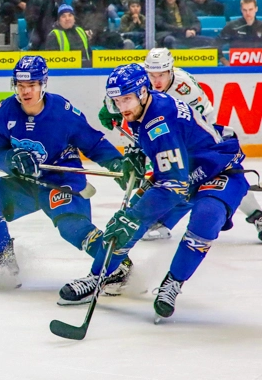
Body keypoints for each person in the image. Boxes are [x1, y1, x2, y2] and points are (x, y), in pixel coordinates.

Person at [65, 63, 248, 319]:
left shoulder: (159, 120)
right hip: (184, 172)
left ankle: (173, 283)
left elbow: (173, 185)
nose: (122, 107)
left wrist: (134, 216)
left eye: (127, 99)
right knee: (129, 222)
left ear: (142, 92)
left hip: (218, 170)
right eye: (117, 101)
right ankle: (97, 277)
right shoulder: (146, 107)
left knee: (206, 216)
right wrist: (140, 153)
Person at [0, 55, 130, 293]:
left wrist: (116, 163)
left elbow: (93, 144)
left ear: (43, 84)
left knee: (72, 229)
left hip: (60, 181)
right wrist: (11, 160)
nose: (26, 91)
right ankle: (3, 263)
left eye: (32, 85)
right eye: (21, 85)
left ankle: (119, 267)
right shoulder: (3, 113)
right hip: (25, 184)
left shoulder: (63, 113)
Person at [97, 48, 262, 242]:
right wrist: (110, 108)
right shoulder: (139, 77)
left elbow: (202, 122)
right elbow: (119, 95)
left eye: (161, 75)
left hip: (194, 134)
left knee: (210, 175)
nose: (156, 81)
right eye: (152, 75)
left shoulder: (185, 89)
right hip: (163, 133)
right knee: (162, 174)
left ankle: (256, 215)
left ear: (170, 71)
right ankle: (159, 218)